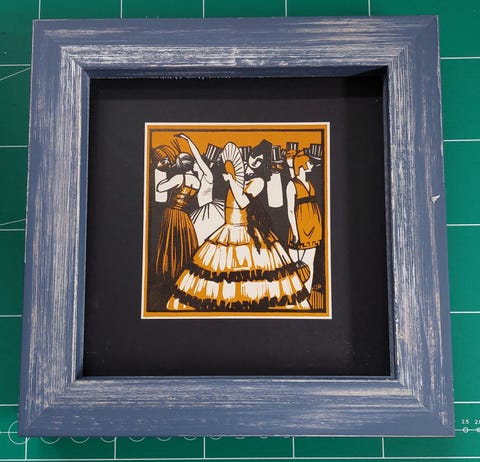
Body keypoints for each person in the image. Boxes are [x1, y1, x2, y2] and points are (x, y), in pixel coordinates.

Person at [166, 142, 311, 312]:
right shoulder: (239, 177)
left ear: (263, 164)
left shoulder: (259, 181)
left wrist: (232, 181)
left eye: (259, 160)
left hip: (247, 230)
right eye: (253, 156)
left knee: (253, 274)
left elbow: (242, 201)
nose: (254, 161)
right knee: (220, 272)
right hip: (228, 229)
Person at [155, 151, 201, 297]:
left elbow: (160, 188)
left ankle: (169, 277)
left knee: (170, 245)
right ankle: (181, 278)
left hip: (172, 213)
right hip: (184, 216)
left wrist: (164, 173)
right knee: (183, 246)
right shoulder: (197, 181)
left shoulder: (179, 178)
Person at [174, 133, 224, 246]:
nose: (194, 164)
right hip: (201, 210)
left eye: (196, 162)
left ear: (202, 165)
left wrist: (188, 140)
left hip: (210, 211)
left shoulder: (208, 175)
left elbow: (197, 157)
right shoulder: (197, 178)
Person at [286, 154, 322, 293]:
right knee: (296, 265)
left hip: (313, 226)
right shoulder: (292, 184)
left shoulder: (309, 182)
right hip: (300, 227)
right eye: (309, 162)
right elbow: (290, 210)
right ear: (301, 165)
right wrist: (295, 233)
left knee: (309, 263)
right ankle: (296, 294)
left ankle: (306, 293)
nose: (311, 165)